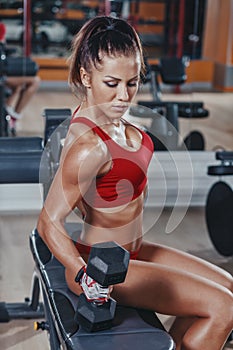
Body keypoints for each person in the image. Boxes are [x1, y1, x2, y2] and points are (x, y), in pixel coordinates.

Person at [37, 16, 233, 350]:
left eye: (132, 82)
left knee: (227, 287)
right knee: (223, 306)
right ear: (86, 76)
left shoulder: (114, 119)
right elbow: (48, 221)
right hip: (101, 267)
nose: (123, 95)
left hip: (134, 253)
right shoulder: (88, 145)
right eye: (111, 83)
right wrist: (83, 274)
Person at [0, 22, 40, 134]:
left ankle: (10, 115)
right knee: (34, 81)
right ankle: (11, 116)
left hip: (3, 74)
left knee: (19, 86)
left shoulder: (1, 27)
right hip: (2, 77)